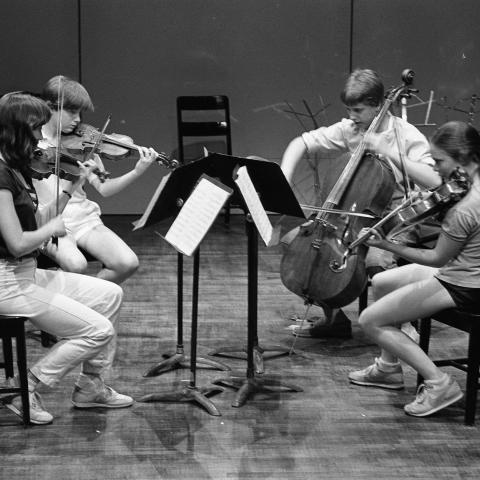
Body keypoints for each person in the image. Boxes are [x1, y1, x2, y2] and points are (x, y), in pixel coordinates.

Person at [0, 91, 133, 425]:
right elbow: (17, 243)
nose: (38, 139)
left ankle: (91, 387)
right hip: (6, 282)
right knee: (97, 330)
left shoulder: (16, 171)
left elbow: (39, 219)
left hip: (24, 275)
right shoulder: (0, 177)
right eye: (33, 130)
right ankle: (28, 387)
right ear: (16, 130)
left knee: (111, 294)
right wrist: (52, 229)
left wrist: (71, 188)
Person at [281, 68, 441, 338]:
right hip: (351, 216)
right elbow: (301, 143)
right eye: (349, 110)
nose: (351, 117)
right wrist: (284, 176)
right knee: (294, 243)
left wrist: (388, 150)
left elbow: (434, 180)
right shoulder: (351, 129)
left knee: (377, 261)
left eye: (357, 110)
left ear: (378, 105)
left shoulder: (406, 134)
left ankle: (398, 325)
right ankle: (335, 317)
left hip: (396, 217)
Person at [348, 120, 480, 417]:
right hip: (467, 270)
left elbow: (436, 259)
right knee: (381, 282)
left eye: (439, 161)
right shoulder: (469, 184)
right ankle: (388, 369)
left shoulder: (467, 207)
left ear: (462, 155)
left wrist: (387, 245)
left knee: (371, 321)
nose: (435, 168)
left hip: (465, 284)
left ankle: (439, 383)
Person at [34, 75, 159, 284]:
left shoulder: (83, 144)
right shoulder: (32, 141)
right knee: (76, 265)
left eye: (79, 113)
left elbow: (105, 189)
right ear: (50, 107)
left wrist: (137, 171)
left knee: (127, 263)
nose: (78, 120)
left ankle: (87, 306)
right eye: (71, 112)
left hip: (83, 218)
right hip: (48, 218)